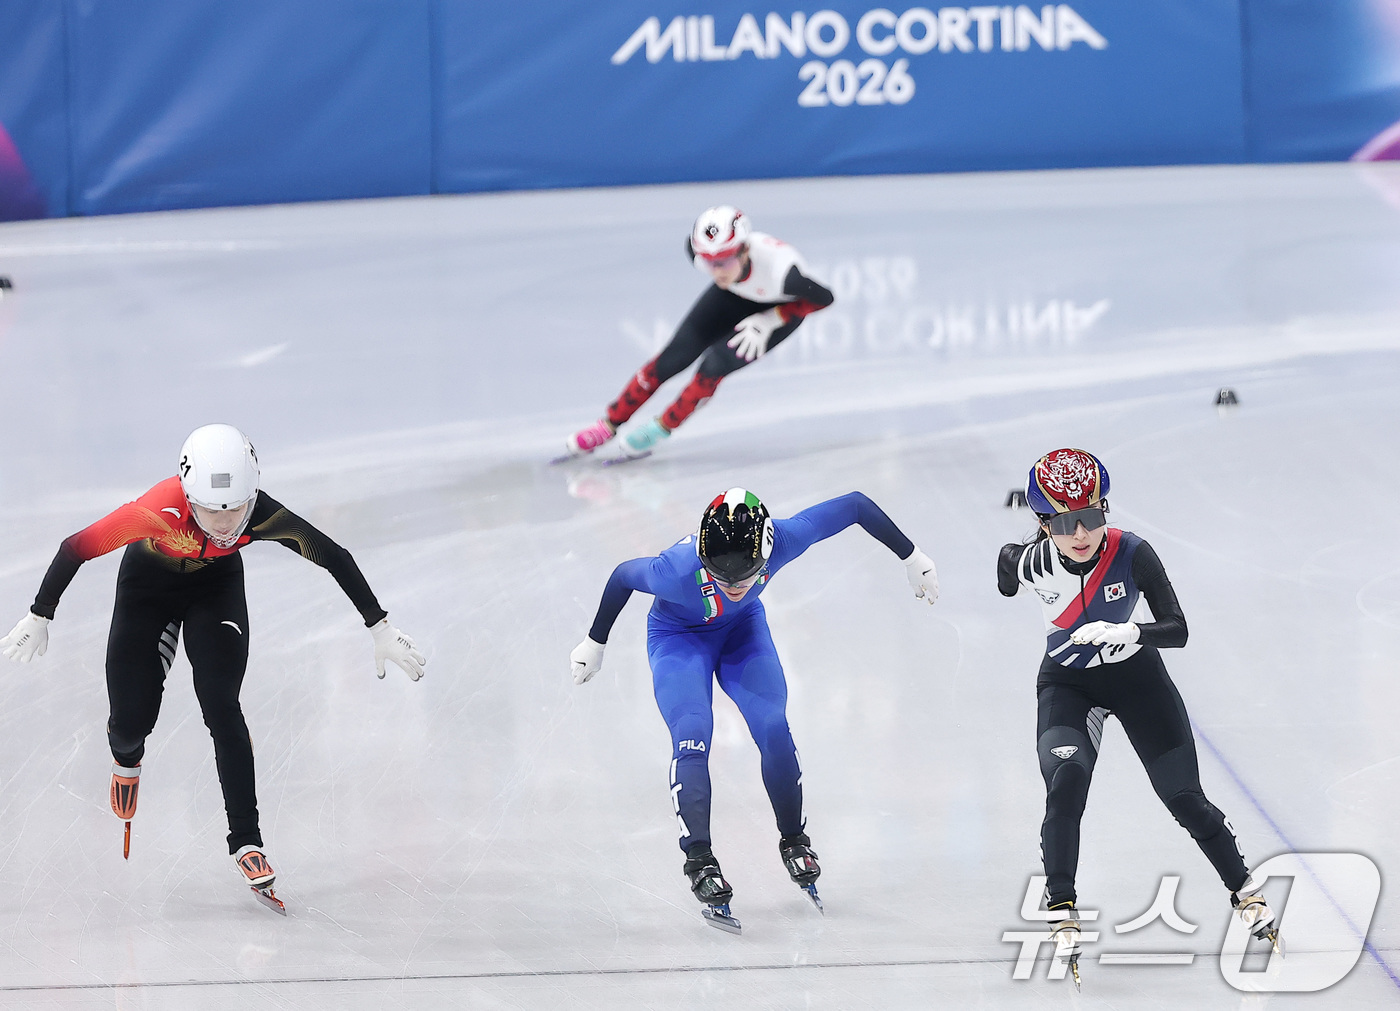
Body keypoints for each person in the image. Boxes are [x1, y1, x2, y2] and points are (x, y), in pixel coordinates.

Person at [0, 424, 425, 908]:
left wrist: (379, 626)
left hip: (214, 592)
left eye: (236, 510)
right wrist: (40, 613)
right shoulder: (155, 511)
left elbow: (334, 556)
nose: (225, 525)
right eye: (210, 511)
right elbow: (75, 547)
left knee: (222, 705)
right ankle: (126, 758)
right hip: (147, 591)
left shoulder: (261, 514)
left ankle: (247, 839)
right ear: (187, 495)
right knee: (131, 720)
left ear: (251, 497)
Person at [569, 488, 938, 931]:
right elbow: (622, 576)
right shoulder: (675, 570)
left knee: (773, 727)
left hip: (742, 631)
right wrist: (596, 641)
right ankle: (700, 860)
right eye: (723, 580)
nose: (735, 586)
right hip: (678, 640)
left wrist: (911, 556)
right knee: (692, 735)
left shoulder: (783, 538)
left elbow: (855, 505)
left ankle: (795, 841)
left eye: (745, 578)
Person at [996, 447, 1279, 987]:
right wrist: (1009, 577)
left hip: (1137, 679)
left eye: (1092, 517)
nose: (1081, 533)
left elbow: (1179, 628)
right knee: (1066, 781)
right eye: (1064, 522)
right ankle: (1062, 906)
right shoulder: (1030, 559)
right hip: (1068, 684)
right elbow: (1006, 568)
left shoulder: (1132, 552)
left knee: (1183, 798)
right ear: (1042, 523)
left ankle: (1246, 892)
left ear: (1105, 509)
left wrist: (1136, 633)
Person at [564, 206, 834, 460]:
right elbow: (716, 266)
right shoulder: (701, 256)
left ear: (745, 251)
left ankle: (661, 428)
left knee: (712, 367)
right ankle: (608, 424)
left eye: (724, 262)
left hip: (780, 308)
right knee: (672, 358)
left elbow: (825, 298)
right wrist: (723, 268)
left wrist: (773, 318)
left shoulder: (785, 275)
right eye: (708, 263)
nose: (716, 271)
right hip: (734, 295)